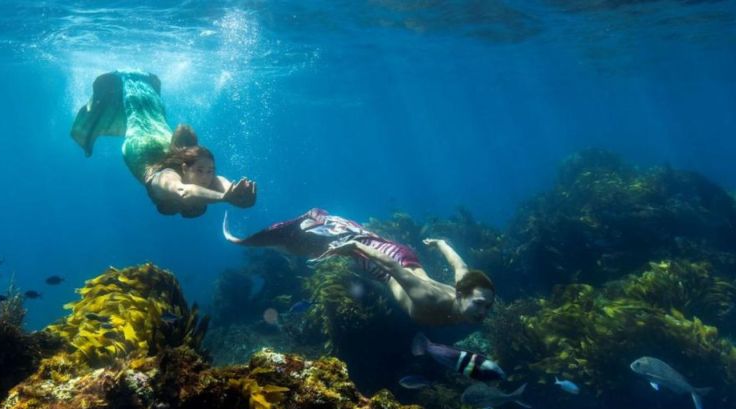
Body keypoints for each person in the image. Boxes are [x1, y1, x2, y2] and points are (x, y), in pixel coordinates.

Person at [223, 208, 495, 326]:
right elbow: (390, 266)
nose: (483, 312)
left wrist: (440, 243)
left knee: (357, 235)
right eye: (479, 304)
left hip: (407, 257)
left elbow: (460, 266)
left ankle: (330, 224)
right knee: (337, 239)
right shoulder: (430, 296)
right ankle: (310, 222)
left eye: (486, 307)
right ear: (461, 294)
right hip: (388, 263)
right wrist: (353, 248)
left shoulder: (463, 287)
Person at [70, 71, 256, 217]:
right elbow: (221, 184)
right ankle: (141, 85)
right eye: (205, 171)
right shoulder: (202, 178)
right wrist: (235, 192)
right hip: (164, 143)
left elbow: (184, 192)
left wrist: (225, 197)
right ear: (186, 167)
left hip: (141, 148)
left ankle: (126, 81)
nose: (207, 177)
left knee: (137, 113)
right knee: (156, 115)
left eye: (208, 172)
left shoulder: (163, 180)